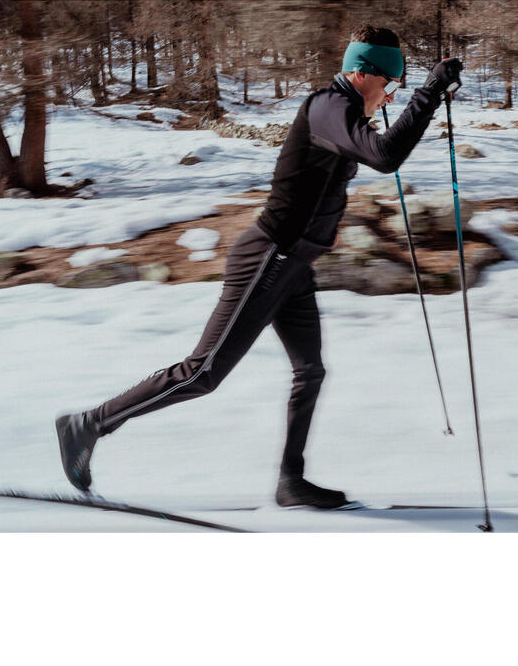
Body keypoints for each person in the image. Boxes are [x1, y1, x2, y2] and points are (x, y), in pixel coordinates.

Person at [55, 25, 463, 509]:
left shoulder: (346, 114)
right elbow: (385, 156)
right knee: (202, 372)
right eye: (390, 85)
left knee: (310, 370)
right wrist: (431, 91)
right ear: (364, 74)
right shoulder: (327, 107)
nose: (389, 97)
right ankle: (90, 424)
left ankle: (291, 481)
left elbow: (343, 171)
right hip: (267, 257)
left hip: (295, 265)